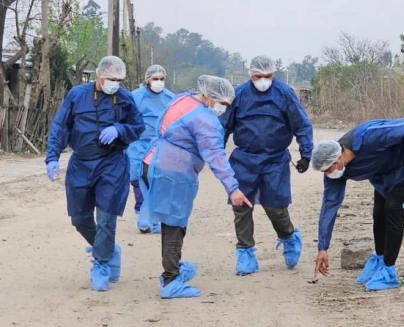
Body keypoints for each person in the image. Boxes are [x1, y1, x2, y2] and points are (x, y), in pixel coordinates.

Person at [140, 75, 252, 299]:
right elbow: (216, 156)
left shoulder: (183, 100)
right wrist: (233, 188)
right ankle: (170, 279)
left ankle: (174, 268)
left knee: (169, 221)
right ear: (211, 97)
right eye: (223, 104)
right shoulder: (204, 119)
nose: (223, 109)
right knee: (174, 223)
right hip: (174, 171)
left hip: (154, 161)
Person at [311, 118, 404, 291]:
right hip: (384, 175)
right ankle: (380, 259)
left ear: (338, 158)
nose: (328, 174)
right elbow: (329, 208)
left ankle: (389, 271)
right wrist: (322, 248)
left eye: (328, 169)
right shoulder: (337, 173)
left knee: (393, 209)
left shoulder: (367, 136)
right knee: (378, 213)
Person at [45, 55, 145, 292]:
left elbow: (138, 127)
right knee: (79, 218)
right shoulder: (77, 95)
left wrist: (119, 129)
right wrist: (52, 157)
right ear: (100, 75)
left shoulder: (125, 98)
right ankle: (108, 248)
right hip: (81, 163)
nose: (115, 83)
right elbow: (60, 126)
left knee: (106, 219)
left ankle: (101, 264)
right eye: (111, 78)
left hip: (112, 164)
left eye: (119, 80)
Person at [219, 55, 313, 276]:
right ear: (251, 75)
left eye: (267, 76)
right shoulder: (240, 95)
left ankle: (289, 236)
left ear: (273, 74)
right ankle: (245, 250)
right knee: (241, 205)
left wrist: (306, 154)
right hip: (244, 158)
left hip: (275, 158)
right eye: (258, 76)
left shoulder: (284, 93)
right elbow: (223, 126)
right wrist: (217, 153)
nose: (263, 80)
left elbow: (301, 124)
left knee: (275, 205)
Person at [127, 65, 176, 234]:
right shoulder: (135, 97)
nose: (159, 82)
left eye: (162, 79)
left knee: (157, 177)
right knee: (137, 175)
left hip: (159, 143)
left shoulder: (171, 98)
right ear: (147, 80)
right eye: (155, 79)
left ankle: (153, 217)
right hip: (137, 142)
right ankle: (143, 212)